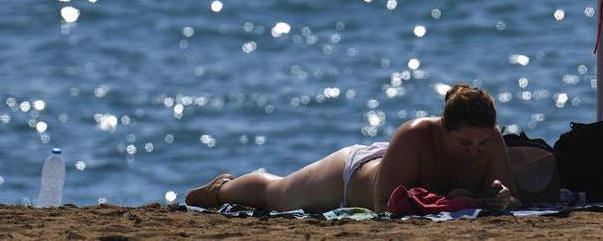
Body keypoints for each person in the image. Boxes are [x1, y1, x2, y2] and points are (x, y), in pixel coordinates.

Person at [185, 83, 518, 213]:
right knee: (276, 194)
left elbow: (514, 200)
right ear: (444, 129)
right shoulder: (415, 135)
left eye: (481, 143)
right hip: (352, 175)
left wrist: (502, 197)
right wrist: (450, 199)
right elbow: (383, 205)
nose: (474, 151)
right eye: (464, 142)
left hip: (383, 172)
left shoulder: (491, 142)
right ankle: (222, 189)